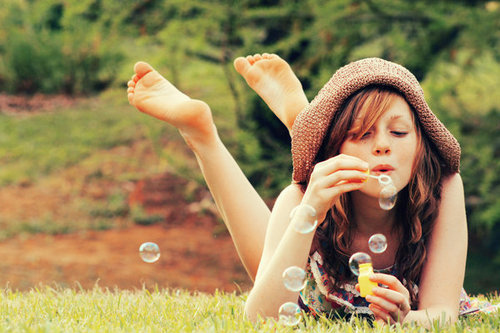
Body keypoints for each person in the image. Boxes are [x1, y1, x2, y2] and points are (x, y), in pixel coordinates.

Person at [127, 54, 468, 326]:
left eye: (398, 133)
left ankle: (301, 123)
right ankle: (203, 137)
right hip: (315, 225)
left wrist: (407, 320)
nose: (382, 146)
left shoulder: (443, 189)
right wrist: (310, 211)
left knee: (274, 249)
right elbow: (262, 318)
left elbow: (442, 314)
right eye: (361, 134)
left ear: (422, 143)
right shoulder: (305, 198)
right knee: (277, 252)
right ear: (334, 152)